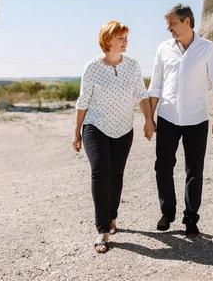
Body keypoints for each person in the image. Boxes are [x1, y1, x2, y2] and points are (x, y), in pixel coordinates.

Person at [73, 20, 156, 253]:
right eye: (121, 38)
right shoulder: (92, 67)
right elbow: (83, 102)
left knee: (116, 174)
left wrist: (148, 120)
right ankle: (103, 230)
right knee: (100, 171)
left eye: (126, 37)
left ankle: (112, 217)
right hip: (95, 127)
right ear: (107, 40)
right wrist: (76, 132)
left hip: (123, 129)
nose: (125, 41)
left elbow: (141, 94)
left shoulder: (132, 65)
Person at [148, 3, 213, 237]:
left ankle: (190, 219)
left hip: (197, 119)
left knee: (194, 170)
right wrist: (149, 119)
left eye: (172, 23)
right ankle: (167, 212)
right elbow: (155, 86)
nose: (168, 28)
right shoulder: (163, 49)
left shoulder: (208, 49)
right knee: (162, 166)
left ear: (187, 22)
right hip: (167, 117)